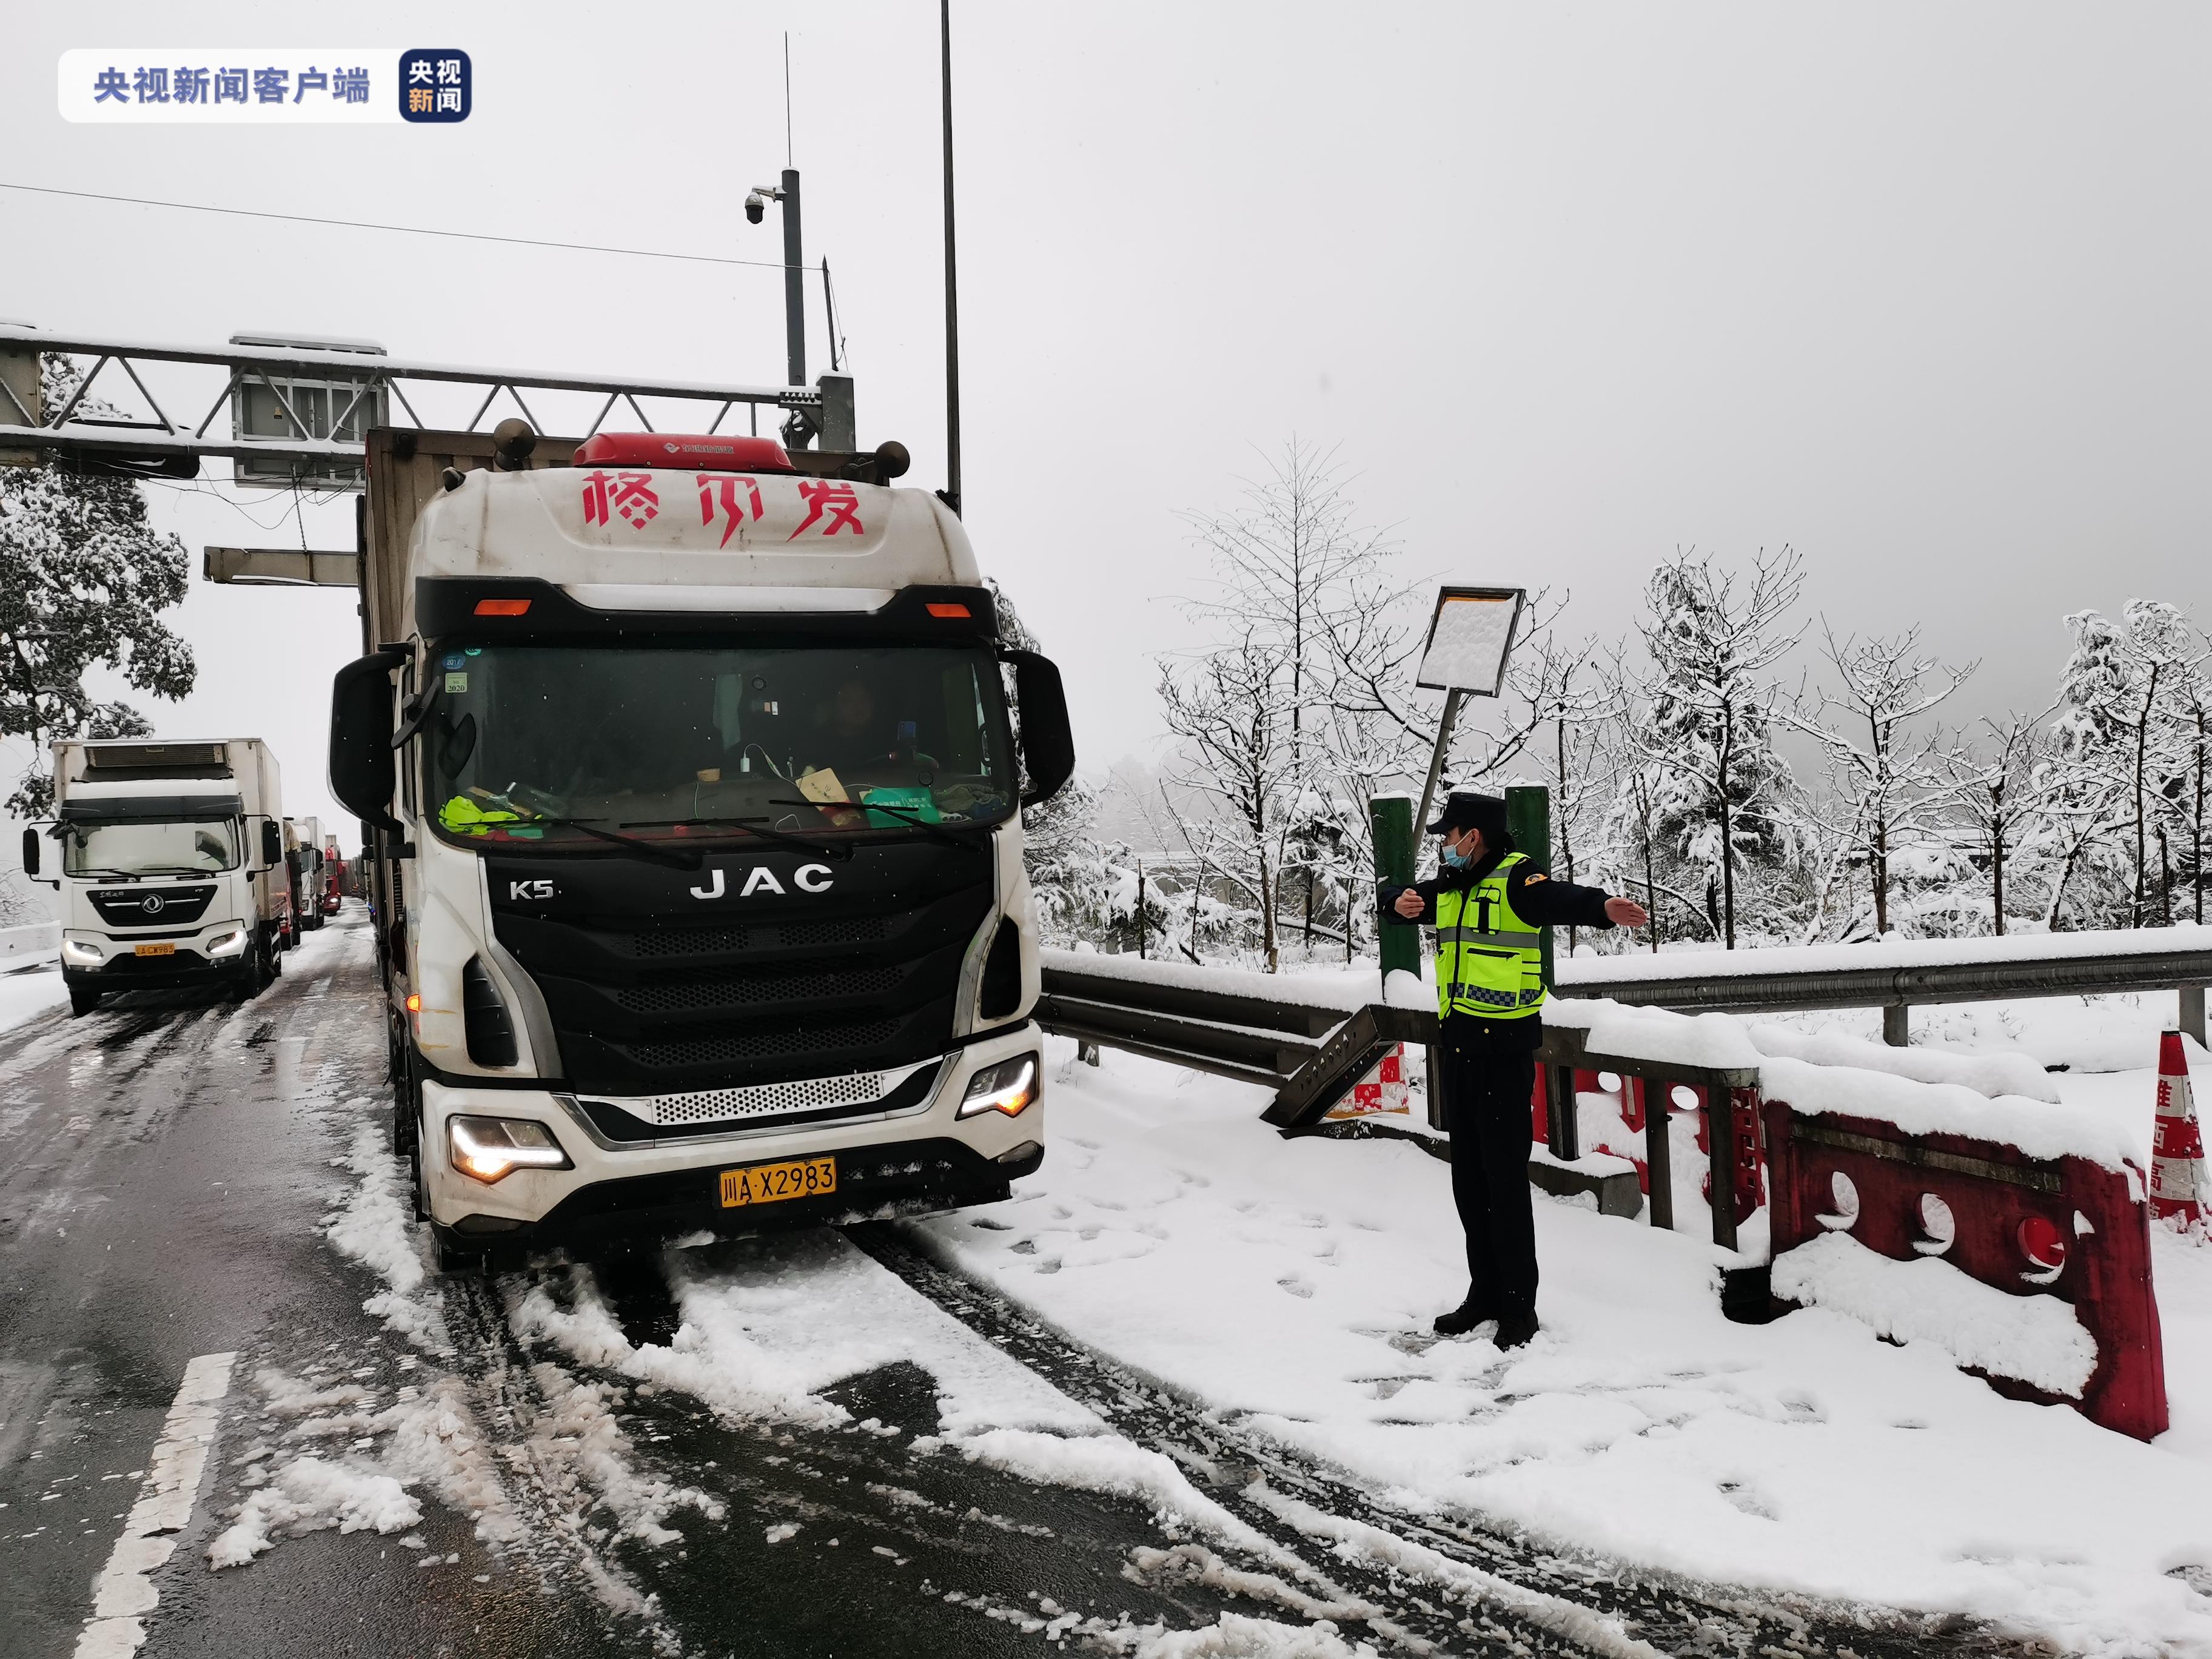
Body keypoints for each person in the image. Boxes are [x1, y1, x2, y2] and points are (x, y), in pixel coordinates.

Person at [1387, 791, 1647, 1349]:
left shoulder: (1514, 879)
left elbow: (1558, 899)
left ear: (1472, 835)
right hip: (1457, 1049)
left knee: (1504, 1185)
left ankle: (1517, 1311)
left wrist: (1601, 908)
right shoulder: (1454, 887)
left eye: (1448, 834)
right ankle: (1482, 1294)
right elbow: (1404, 897)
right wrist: (1398, 904)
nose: (1443, 844)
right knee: (1468, 1182)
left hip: (1503, 1056)